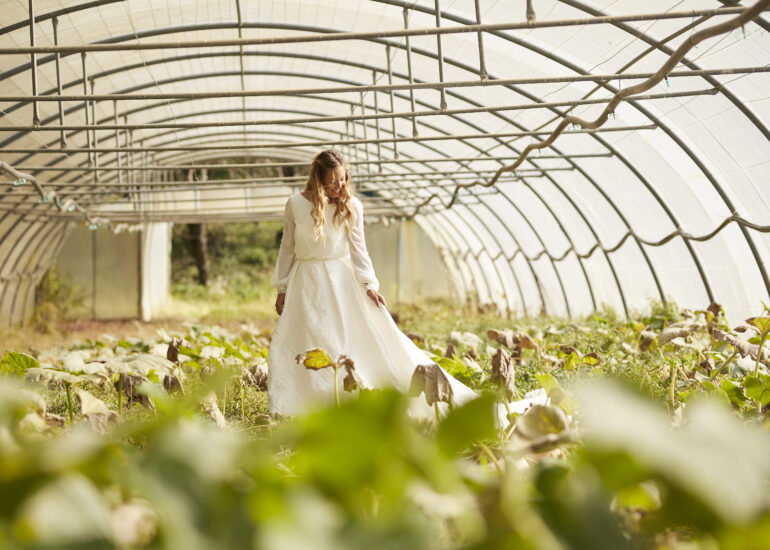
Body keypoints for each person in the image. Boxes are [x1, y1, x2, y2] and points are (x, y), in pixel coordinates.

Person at [267, 150, 542, 420]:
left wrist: (370, 285)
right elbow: (287, 247)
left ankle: (345, 405)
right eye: (333, 181)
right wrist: (282, 288)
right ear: (318, 180)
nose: (340, 186)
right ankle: (303, 408)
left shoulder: (352, 206)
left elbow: (359, 250)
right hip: (306, 282)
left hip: (341, 282)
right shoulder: (295, 204)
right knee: (302, 341)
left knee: (344, 342)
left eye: (343, 179)